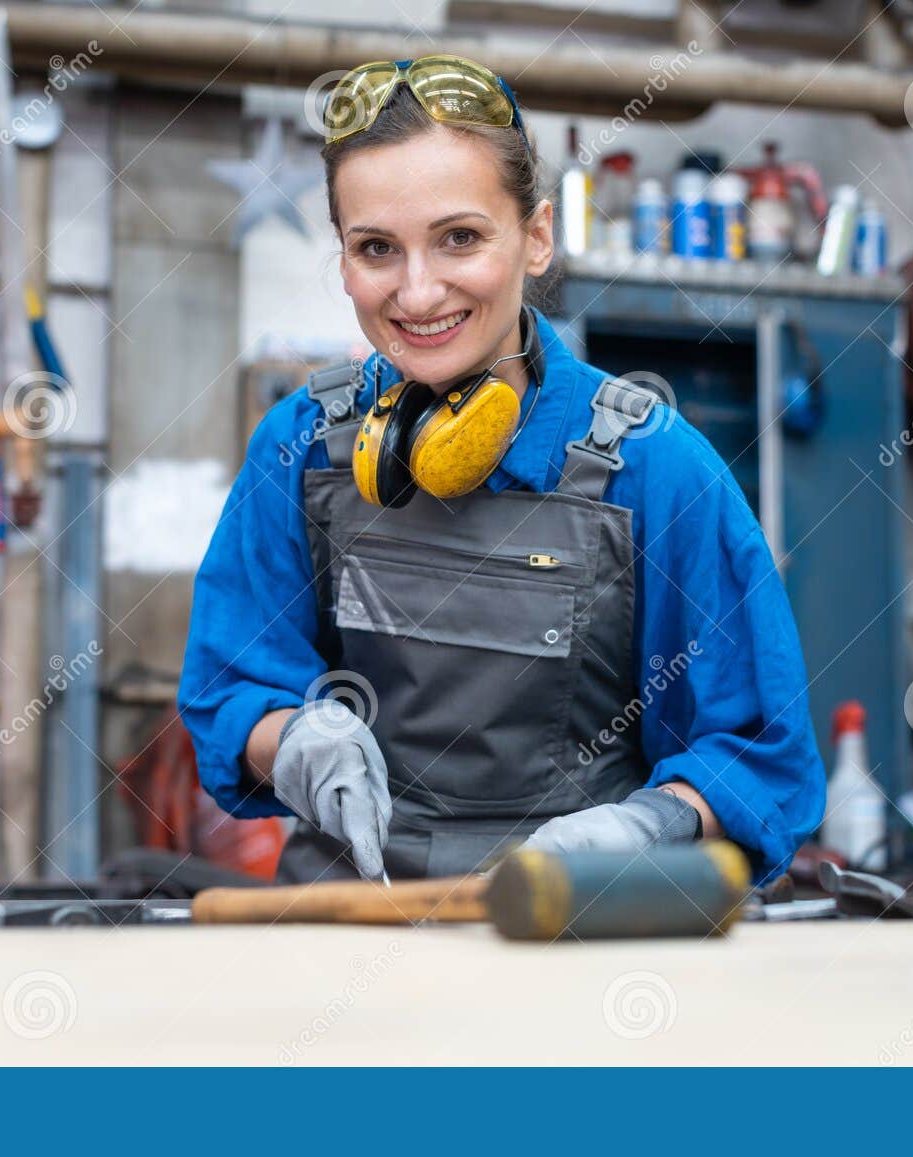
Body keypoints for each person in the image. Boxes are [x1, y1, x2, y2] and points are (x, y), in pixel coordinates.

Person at [179, 54, 825, 885]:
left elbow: (759, 754)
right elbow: (232, 686)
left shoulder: (656, 469)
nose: (417, 294)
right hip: (346, 932)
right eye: (377, 248)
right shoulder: (301, 446)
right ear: (341, 260)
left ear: (537, 237)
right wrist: (297, 740)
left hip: (572, 936)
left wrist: (651, 824)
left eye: (460, 238)